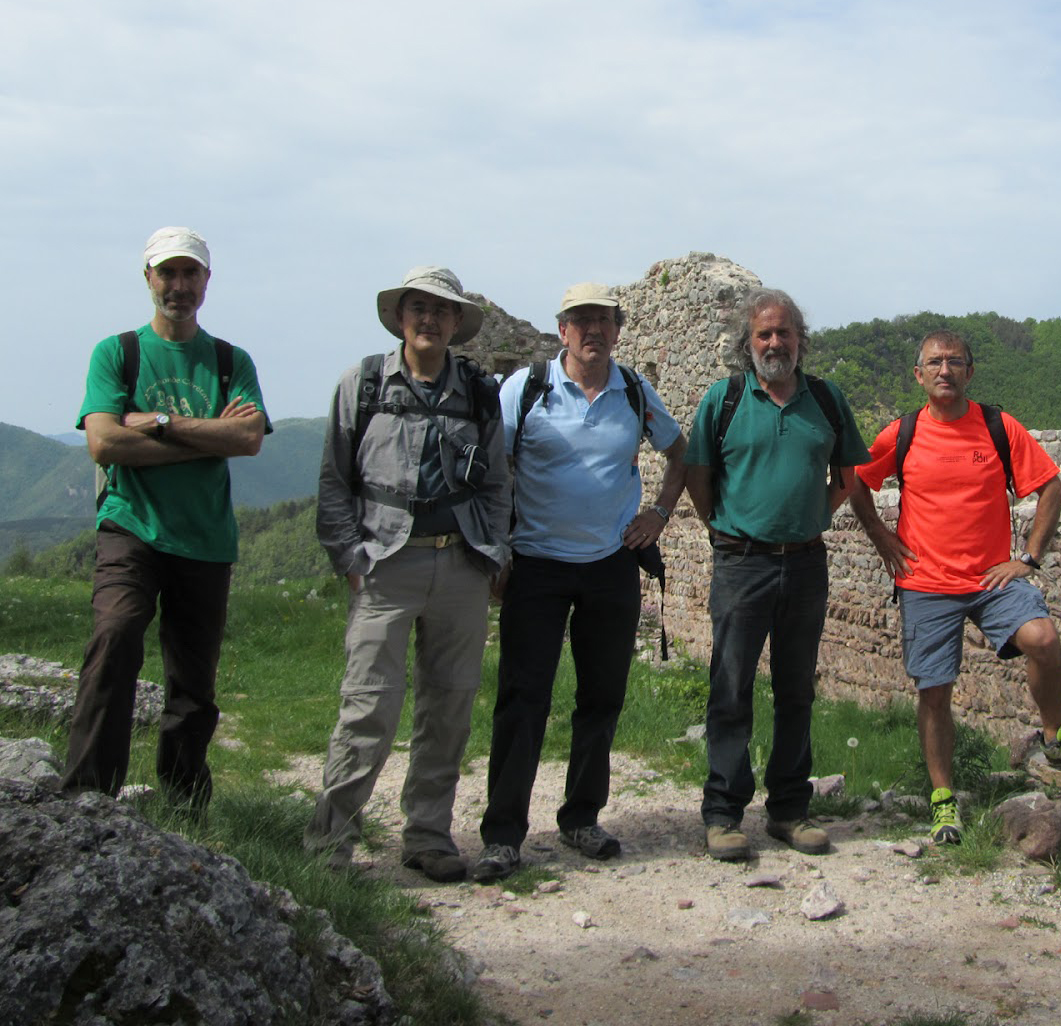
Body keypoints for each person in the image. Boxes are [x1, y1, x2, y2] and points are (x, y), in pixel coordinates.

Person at [849, 329, 1061, 846]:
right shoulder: (900, 434)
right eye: (934, 363)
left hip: (993, 577)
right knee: (934, 690)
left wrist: (1028, 558)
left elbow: (1051, 488)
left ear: (971, 371)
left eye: (954, 362)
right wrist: (883, 540)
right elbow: (857, 482)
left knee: (1044, 639)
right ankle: (944, 801)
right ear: (918, 375)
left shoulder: (997, 427)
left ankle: (1056, 737)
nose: (944, 371)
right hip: (926, 582)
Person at [471, 282, 688, 882]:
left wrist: (660, 514)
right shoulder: (528, 387)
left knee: (601, 697)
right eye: (581, 321)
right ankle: (503, 834)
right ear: (562, 330)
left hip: (611, 563)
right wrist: (499, 549)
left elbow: (679, 452)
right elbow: (493, 466)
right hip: (537, 562)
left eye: (603, 321)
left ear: (618, 330)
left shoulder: (634, 391)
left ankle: (580, 818)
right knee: (522, 699)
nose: (593, 331)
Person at [305, 266, 511, 881]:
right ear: (400, 317)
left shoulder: (477, 391)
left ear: (455, 324)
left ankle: (427, 836)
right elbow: (333, 482)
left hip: (461, 565)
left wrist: (495, 554)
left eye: (441, 311)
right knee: (367, 709)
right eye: (417, 307)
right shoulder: (362, 384)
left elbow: (499, 482)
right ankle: (329, 847)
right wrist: (350, 560)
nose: (428, 319)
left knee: (448, 708)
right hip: (385, 566)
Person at [63, 227, 271, 809]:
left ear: (207, 281)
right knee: (115, 636)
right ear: (148, 277)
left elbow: (249, 437)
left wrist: (152, 422)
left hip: (204, 538)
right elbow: (103, 444)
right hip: (131, 526)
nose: (179, 286)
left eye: (190, 274)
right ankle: (87, 799)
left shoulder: (231, 360)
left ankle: (184, 805)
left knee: (194, 683)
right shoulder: (118, 352)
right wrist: (210, 438)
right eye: (168, 273)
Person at [683, 288, 870, 861]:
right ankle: (722, 814)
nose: (774, 342)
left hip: (806, 563)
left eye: (784, 333)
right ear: (749, 341)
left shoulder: (826, 400)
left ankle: (789, 810)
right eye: (764, 333)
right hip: (742, 563)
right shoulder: (726, 398)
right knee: (731, 688)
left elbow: (848, 477)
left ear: (799, 340)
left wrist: (814, 516)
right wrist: (724, 526)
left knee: (796, 690)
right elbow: (698, 473)